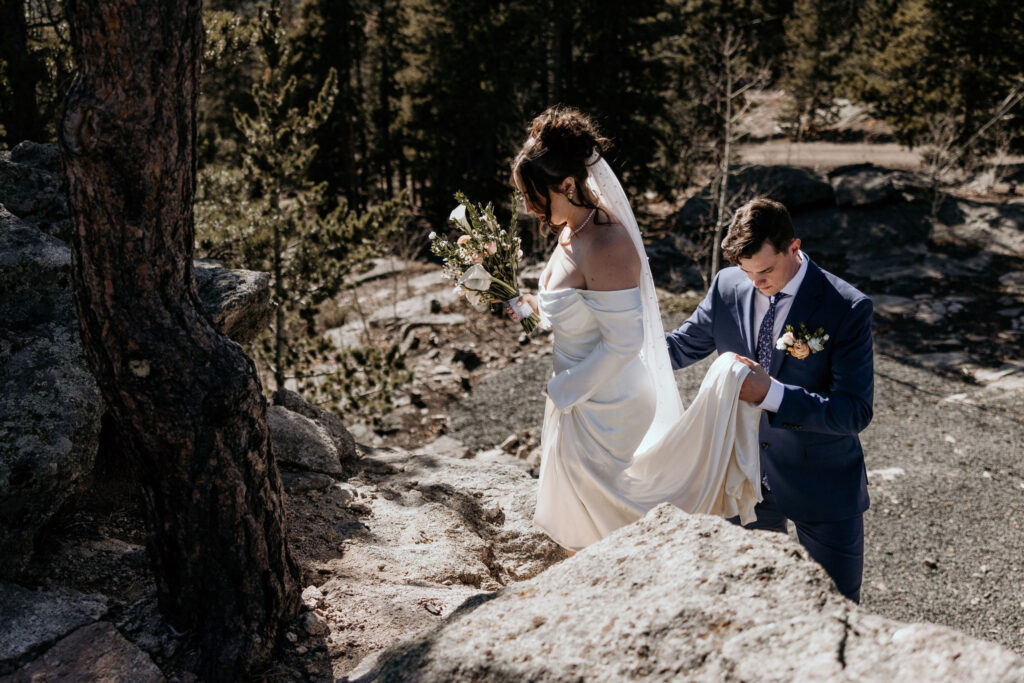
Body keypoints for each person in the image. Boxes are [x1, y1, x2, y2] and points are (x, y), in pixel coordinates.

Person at [509, 106, 765, 552]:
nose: (529, 208)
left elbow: (625, 341)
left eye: (534, 195)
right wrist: (525, 305)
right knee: (584, 515)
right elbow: (576, 311)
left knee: (613, 521)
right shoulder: (572, 226)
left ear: (568, 185)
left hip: (607, 402)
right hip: (580, 394)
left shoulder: (606, 242)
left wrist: (565, 389)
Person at [665, 197, 874, 602]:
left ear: (793, 248)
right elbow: (679, 347)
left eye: (764, 271)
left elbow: (854, 411)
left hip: (823, 485)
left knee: (837, 606)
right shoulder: (728, 286)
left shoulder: (846, 306)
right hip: (743, 479)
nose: (755, 282)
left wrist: (773, 394)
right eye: (746, 272)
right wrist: (612, 357)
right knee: (751, 602)